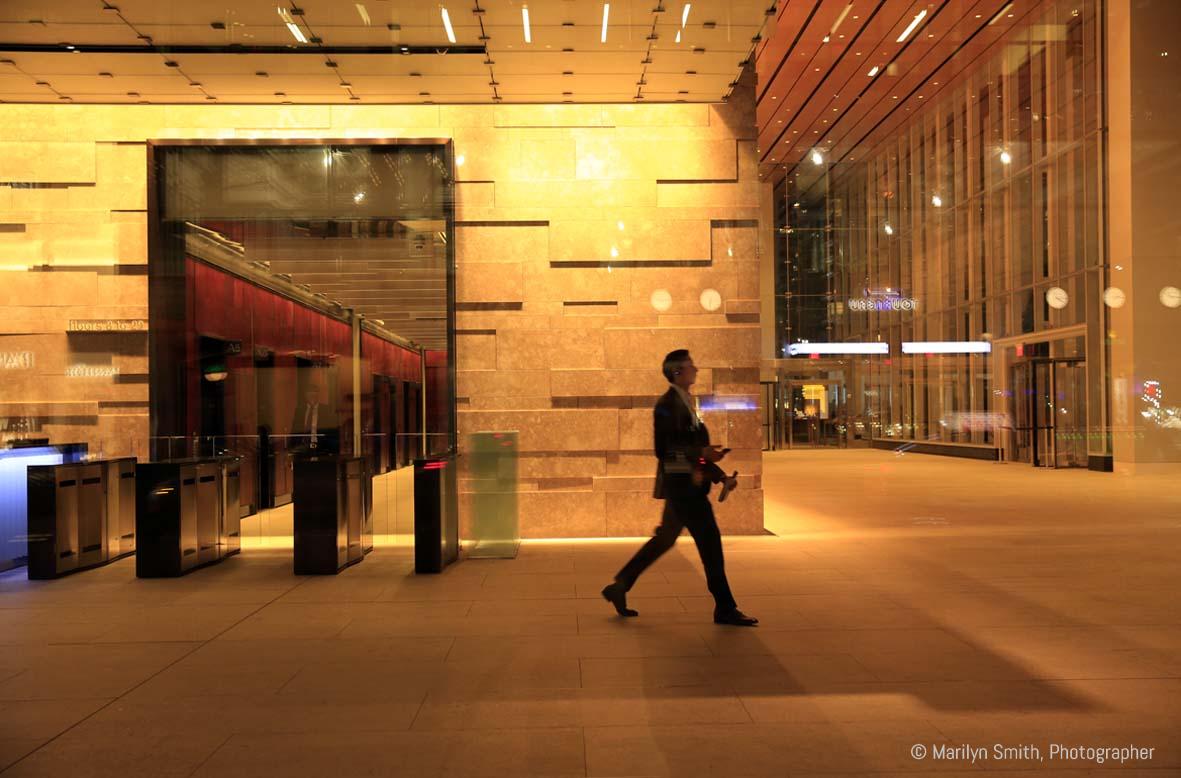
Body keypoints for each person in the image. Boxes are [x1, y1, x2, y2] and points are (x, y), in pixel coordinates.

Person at [601, 349, 758, 627]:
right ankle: (724, 607)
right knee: (710, 544)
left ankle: (620, 586)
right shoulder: (667, 405)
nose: (695, 369)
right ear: (677, 372)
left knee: (665, 539)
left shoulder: (686, 402)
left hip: (684, 488)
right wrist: (702, 454)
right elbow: (664, 450)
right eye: (689, 366)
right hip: (685, 490)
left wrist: (718, 471)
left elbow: (693, 451)